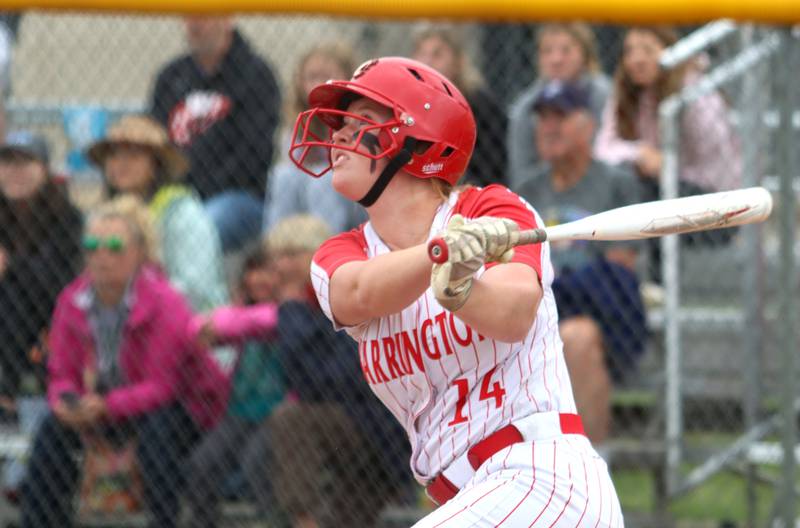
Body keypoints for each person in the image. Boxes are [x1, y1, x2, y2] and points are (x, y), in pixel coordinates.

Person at [289, 57, 622, 526]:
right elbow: (357, 294)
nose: (339, 135)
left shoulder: (493, 208)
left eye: (360, 120)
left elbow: (513, 314)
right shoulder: (340, 253)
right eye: (340, 125)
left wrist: (462, 291)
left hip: (540, 477)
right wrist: (440, 254)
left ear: (416, 138)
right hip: (471, 497)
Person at [19, 195, 230, 528]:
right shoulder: (72, 300)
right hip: (106, 404)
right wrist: (65, 401)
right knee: (52, 429)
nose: (102, 256)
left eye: (115, 246)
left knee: (158, 430)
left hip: (181, 407)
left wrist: (104, 406)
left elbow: (163, 387)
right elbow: (61, 373)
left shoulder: (165, 301)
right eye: (92, 246)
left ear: (140, 254)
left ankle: (165, 521)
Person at [515, 81, 646, 445]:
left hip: (600, 319)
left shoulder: (616, 184)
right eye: (543, 118)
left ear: (590, 126)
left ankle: (592, 471)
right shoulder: (526, 189)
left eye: (561, 116)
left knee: (577, 337)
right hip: (535, 310)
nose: (549, 126)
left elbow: (619, 271)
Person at [266, 214, 410, 528]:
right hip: (345, 423)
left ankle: (306, 523)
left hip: (378, 427)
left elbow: (338, 380)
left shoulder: (339, 295)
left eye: (290, 255)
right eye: (276, 256)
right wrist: (291, 308)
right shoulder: (300, 309)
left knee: (290, 420)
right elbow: (300, 381)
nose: (279, 265)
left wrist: (291, 308)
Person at [150, 16, 281, 252]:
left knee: (205, 224)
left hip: (238, 196)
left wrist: (199, 192)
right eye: (189, 15)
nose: (194, 23)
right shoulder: (170, 77)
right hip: (176, 194)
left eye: (205, 14)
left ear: (227, 19)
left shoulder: (256, 75)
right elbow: (156, 143)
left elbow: (255, 155)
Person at [184, 245, 287, 528]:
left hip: (278, 413)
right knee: (203, 463)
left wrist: (225, 323)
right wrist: (214, 328)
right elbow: (198, 327)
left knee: (256, 460)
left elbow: (261, 322)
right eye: (253, 271)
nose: (260, 279)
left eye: (268, 272)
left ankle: (275, 521)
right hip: (240, 412)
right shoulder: (238, 314)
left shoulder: (289, 315)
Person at [87, 114, 229, 313]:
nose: (120, 163)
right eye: (113, 155)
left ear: (155, 165)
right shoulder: (100, 218)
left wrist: (136, 300)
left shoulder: (184, 214)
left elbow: (197, 289)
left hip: (189, 327)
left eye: (134, 155)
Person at [593, 26, 742, 194]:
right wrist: (640, 153)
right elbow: (602, 149)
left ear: (670, 52)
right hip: (654, 185)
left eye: (648, 50)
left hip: (702, 189)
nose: (637, 59)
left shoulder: (694, 91)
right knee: (617, 178)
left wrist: (669, 167)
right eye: (629, 51)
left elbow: (717, 164)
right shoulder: (626, 90)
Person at [0, 131, 82, 401]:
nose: (15, 171)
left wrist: (10, 265)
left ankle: (9, 391)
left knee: (12, 296)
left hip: (46, 312)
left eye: (25, 163)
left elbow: (61, 279)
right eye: (8, 163)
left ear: (44, 170)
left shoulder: (66, 215)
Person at [264, 42, 365, 234]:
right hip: (310, 192)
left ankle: (324, 248)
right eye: (312, 77)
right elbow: (294, 164)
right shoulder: (298, 119)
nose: (318, 84)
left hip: (355, 199)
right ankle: (279, 245)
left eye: (327, 76)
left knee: (323, 181)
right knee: (283, 177)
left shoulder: (357, 115)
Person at [507, 23, 611, 189]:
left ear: (584, 54)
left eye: (566, 50)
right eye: (547, 51)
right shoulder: (526, 107)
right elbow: (521, 172)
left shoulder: (606, 95)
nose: (556, 59)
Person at [411, 23, 508, 187]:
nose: (427, 61)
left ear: (457, 61)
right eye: (422, 53)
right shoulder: (409, 104)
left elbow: (494, 167)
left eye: (437, 54)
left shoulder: (478, 103)